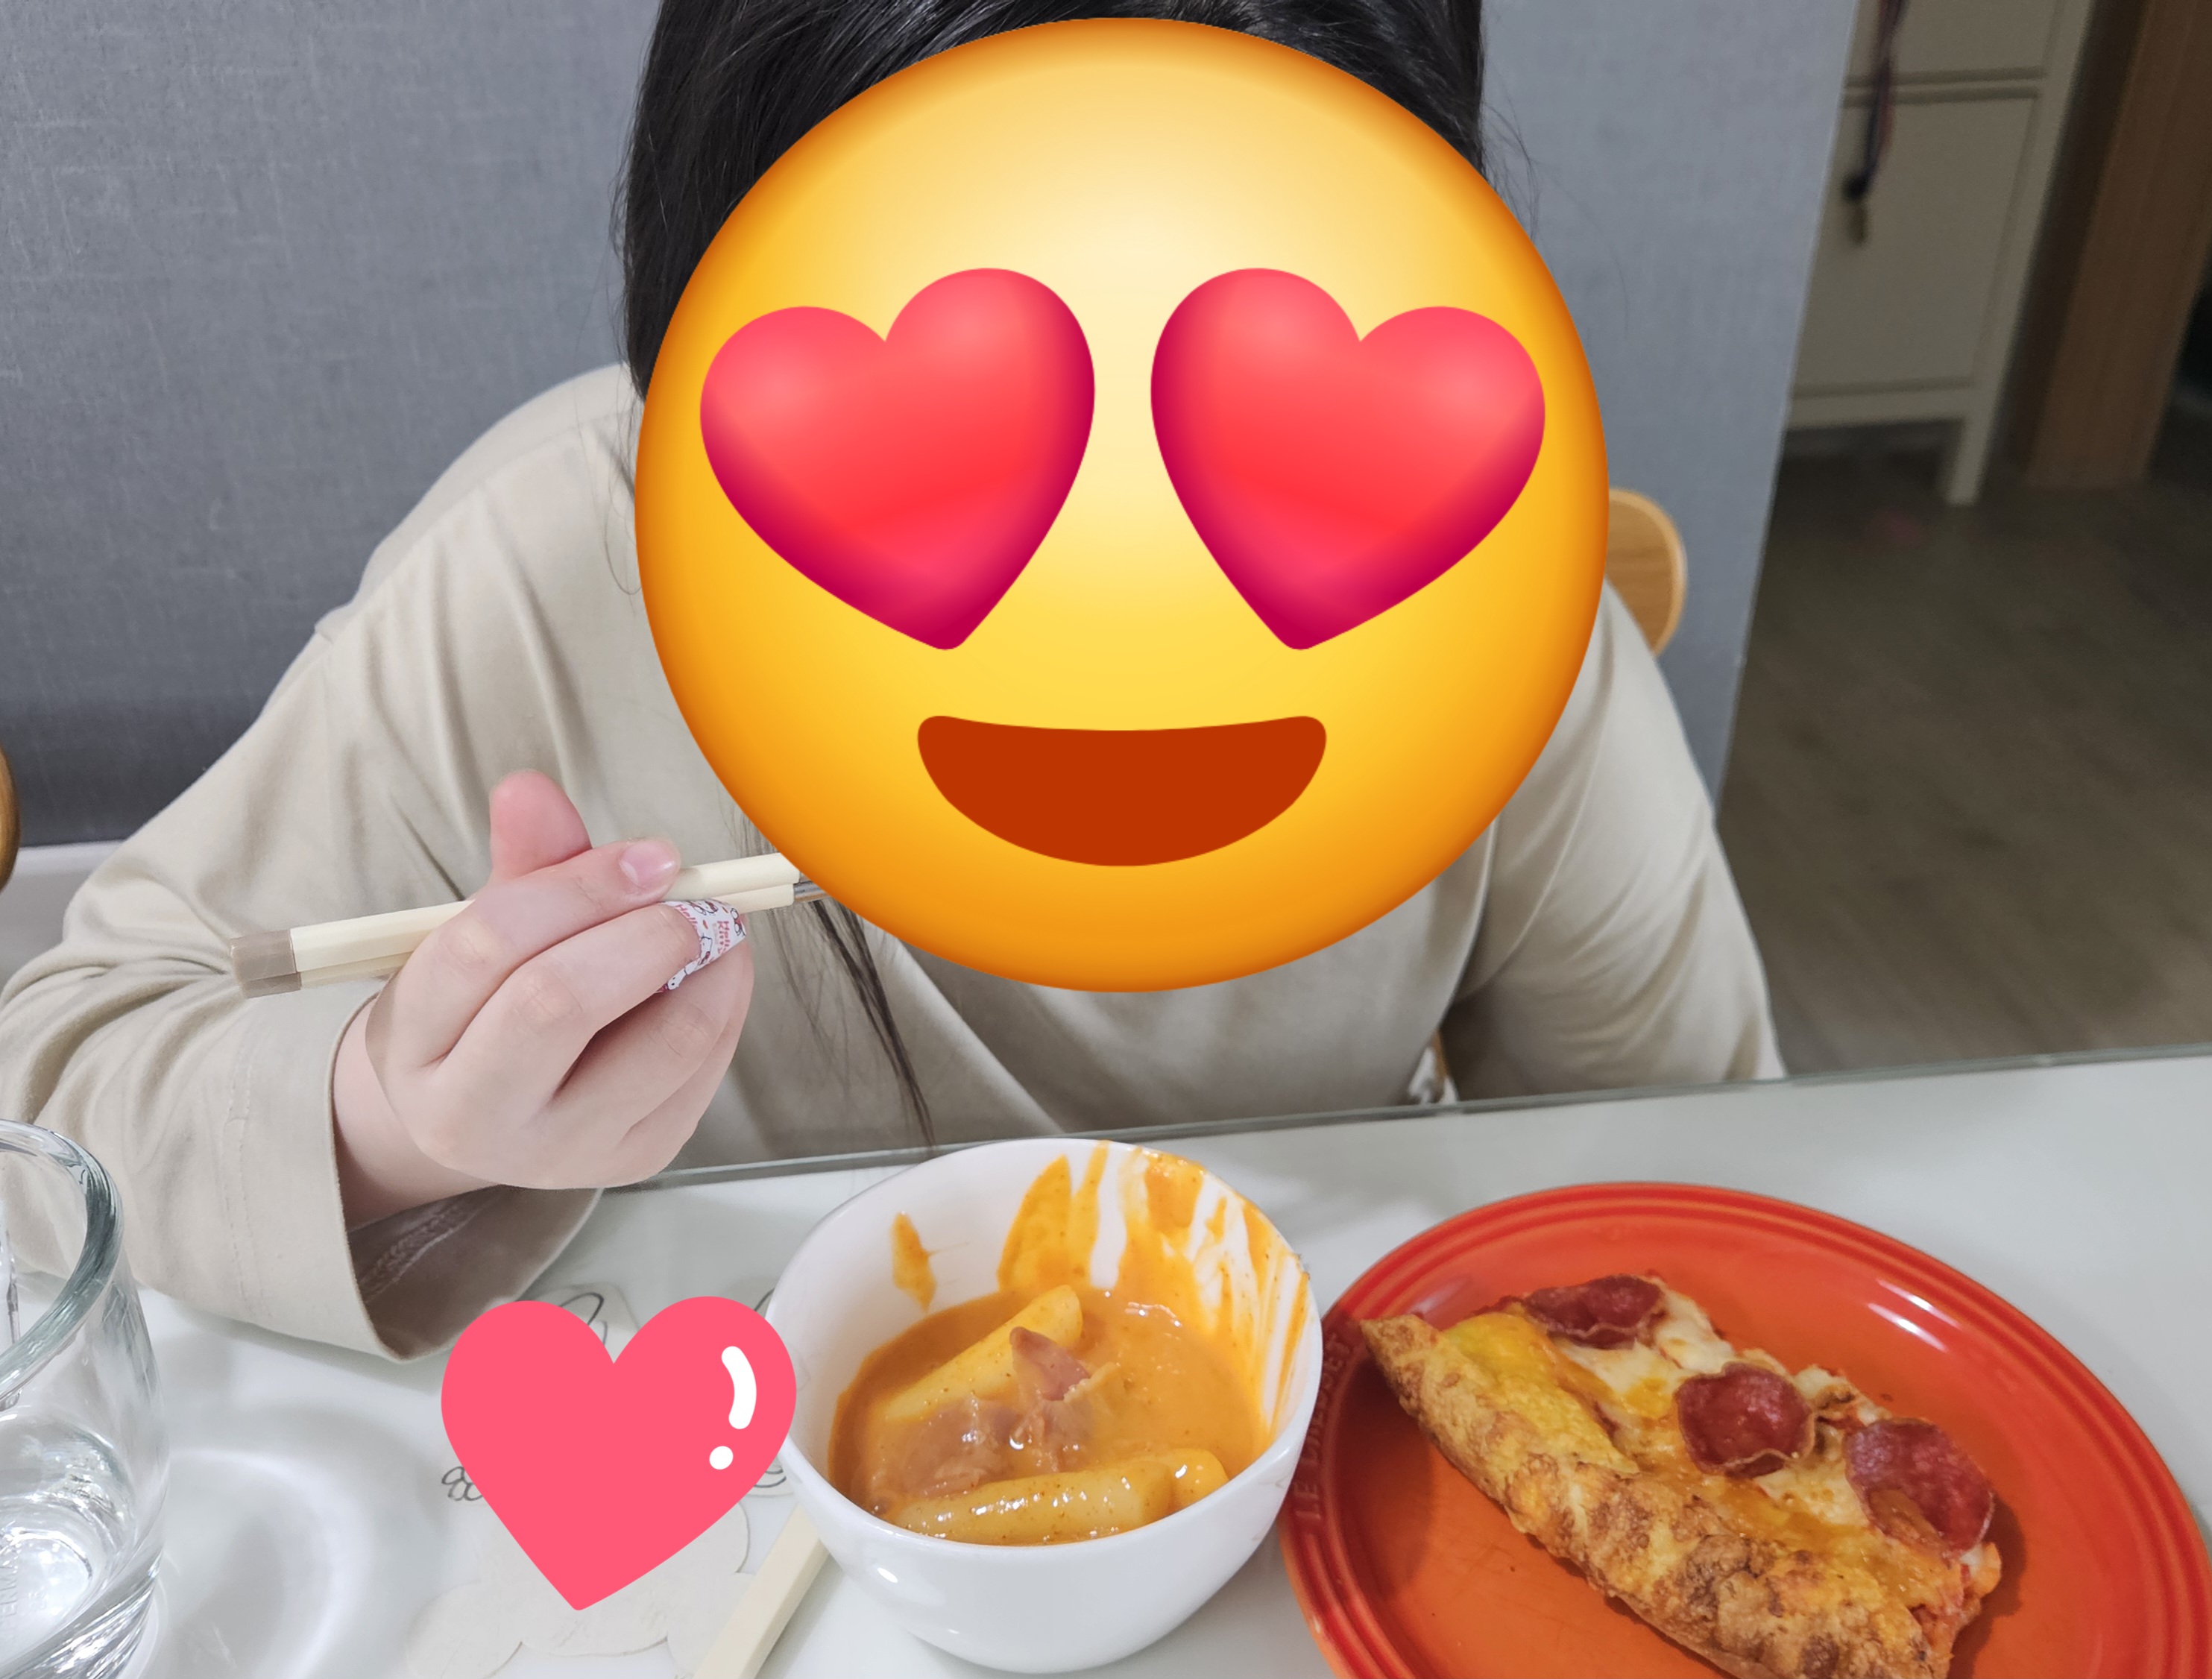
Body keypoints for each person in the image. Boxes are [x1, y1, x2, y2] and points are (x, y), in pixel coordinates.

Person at [0, 0, 1779, 1361]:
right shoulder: (550, 576)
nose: (1117, 559)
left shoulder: (1483, 635)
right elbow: (57, 1079)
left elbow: (1703, 1167)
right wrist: (396, 1116)